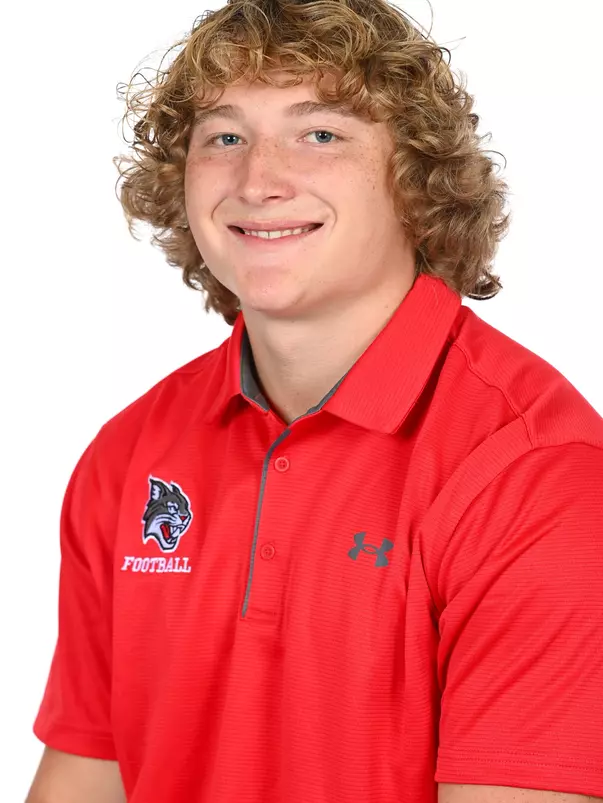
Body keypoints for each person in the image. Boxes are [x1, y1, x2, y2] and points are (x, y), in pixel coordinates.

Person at [26, 0, 603, 801]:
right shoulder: (129, 454)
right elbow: (89, 773)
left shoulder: (537, 474)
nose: (258, 180)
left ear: (415, 176)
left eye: (320, 133)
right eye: (224, 137)